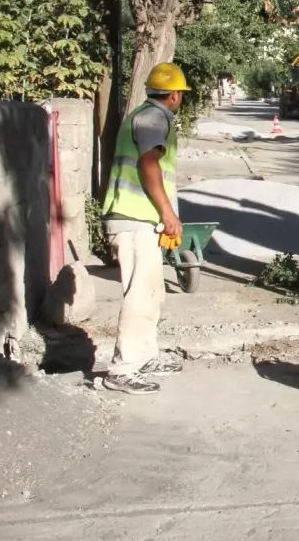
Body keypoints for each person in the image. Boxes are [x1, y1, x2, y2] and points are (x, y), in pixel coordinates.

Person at [100, 63, 192, 394]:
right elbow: (148, 163)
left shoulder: (144, 114)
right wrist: (168, 212)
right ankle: (123, 369)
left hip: (140, 217)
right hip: (136, 216)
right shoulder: (154, 118)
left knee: (152, 292)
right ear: (175, 94)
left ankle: (145, 357)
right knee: (140, 294)